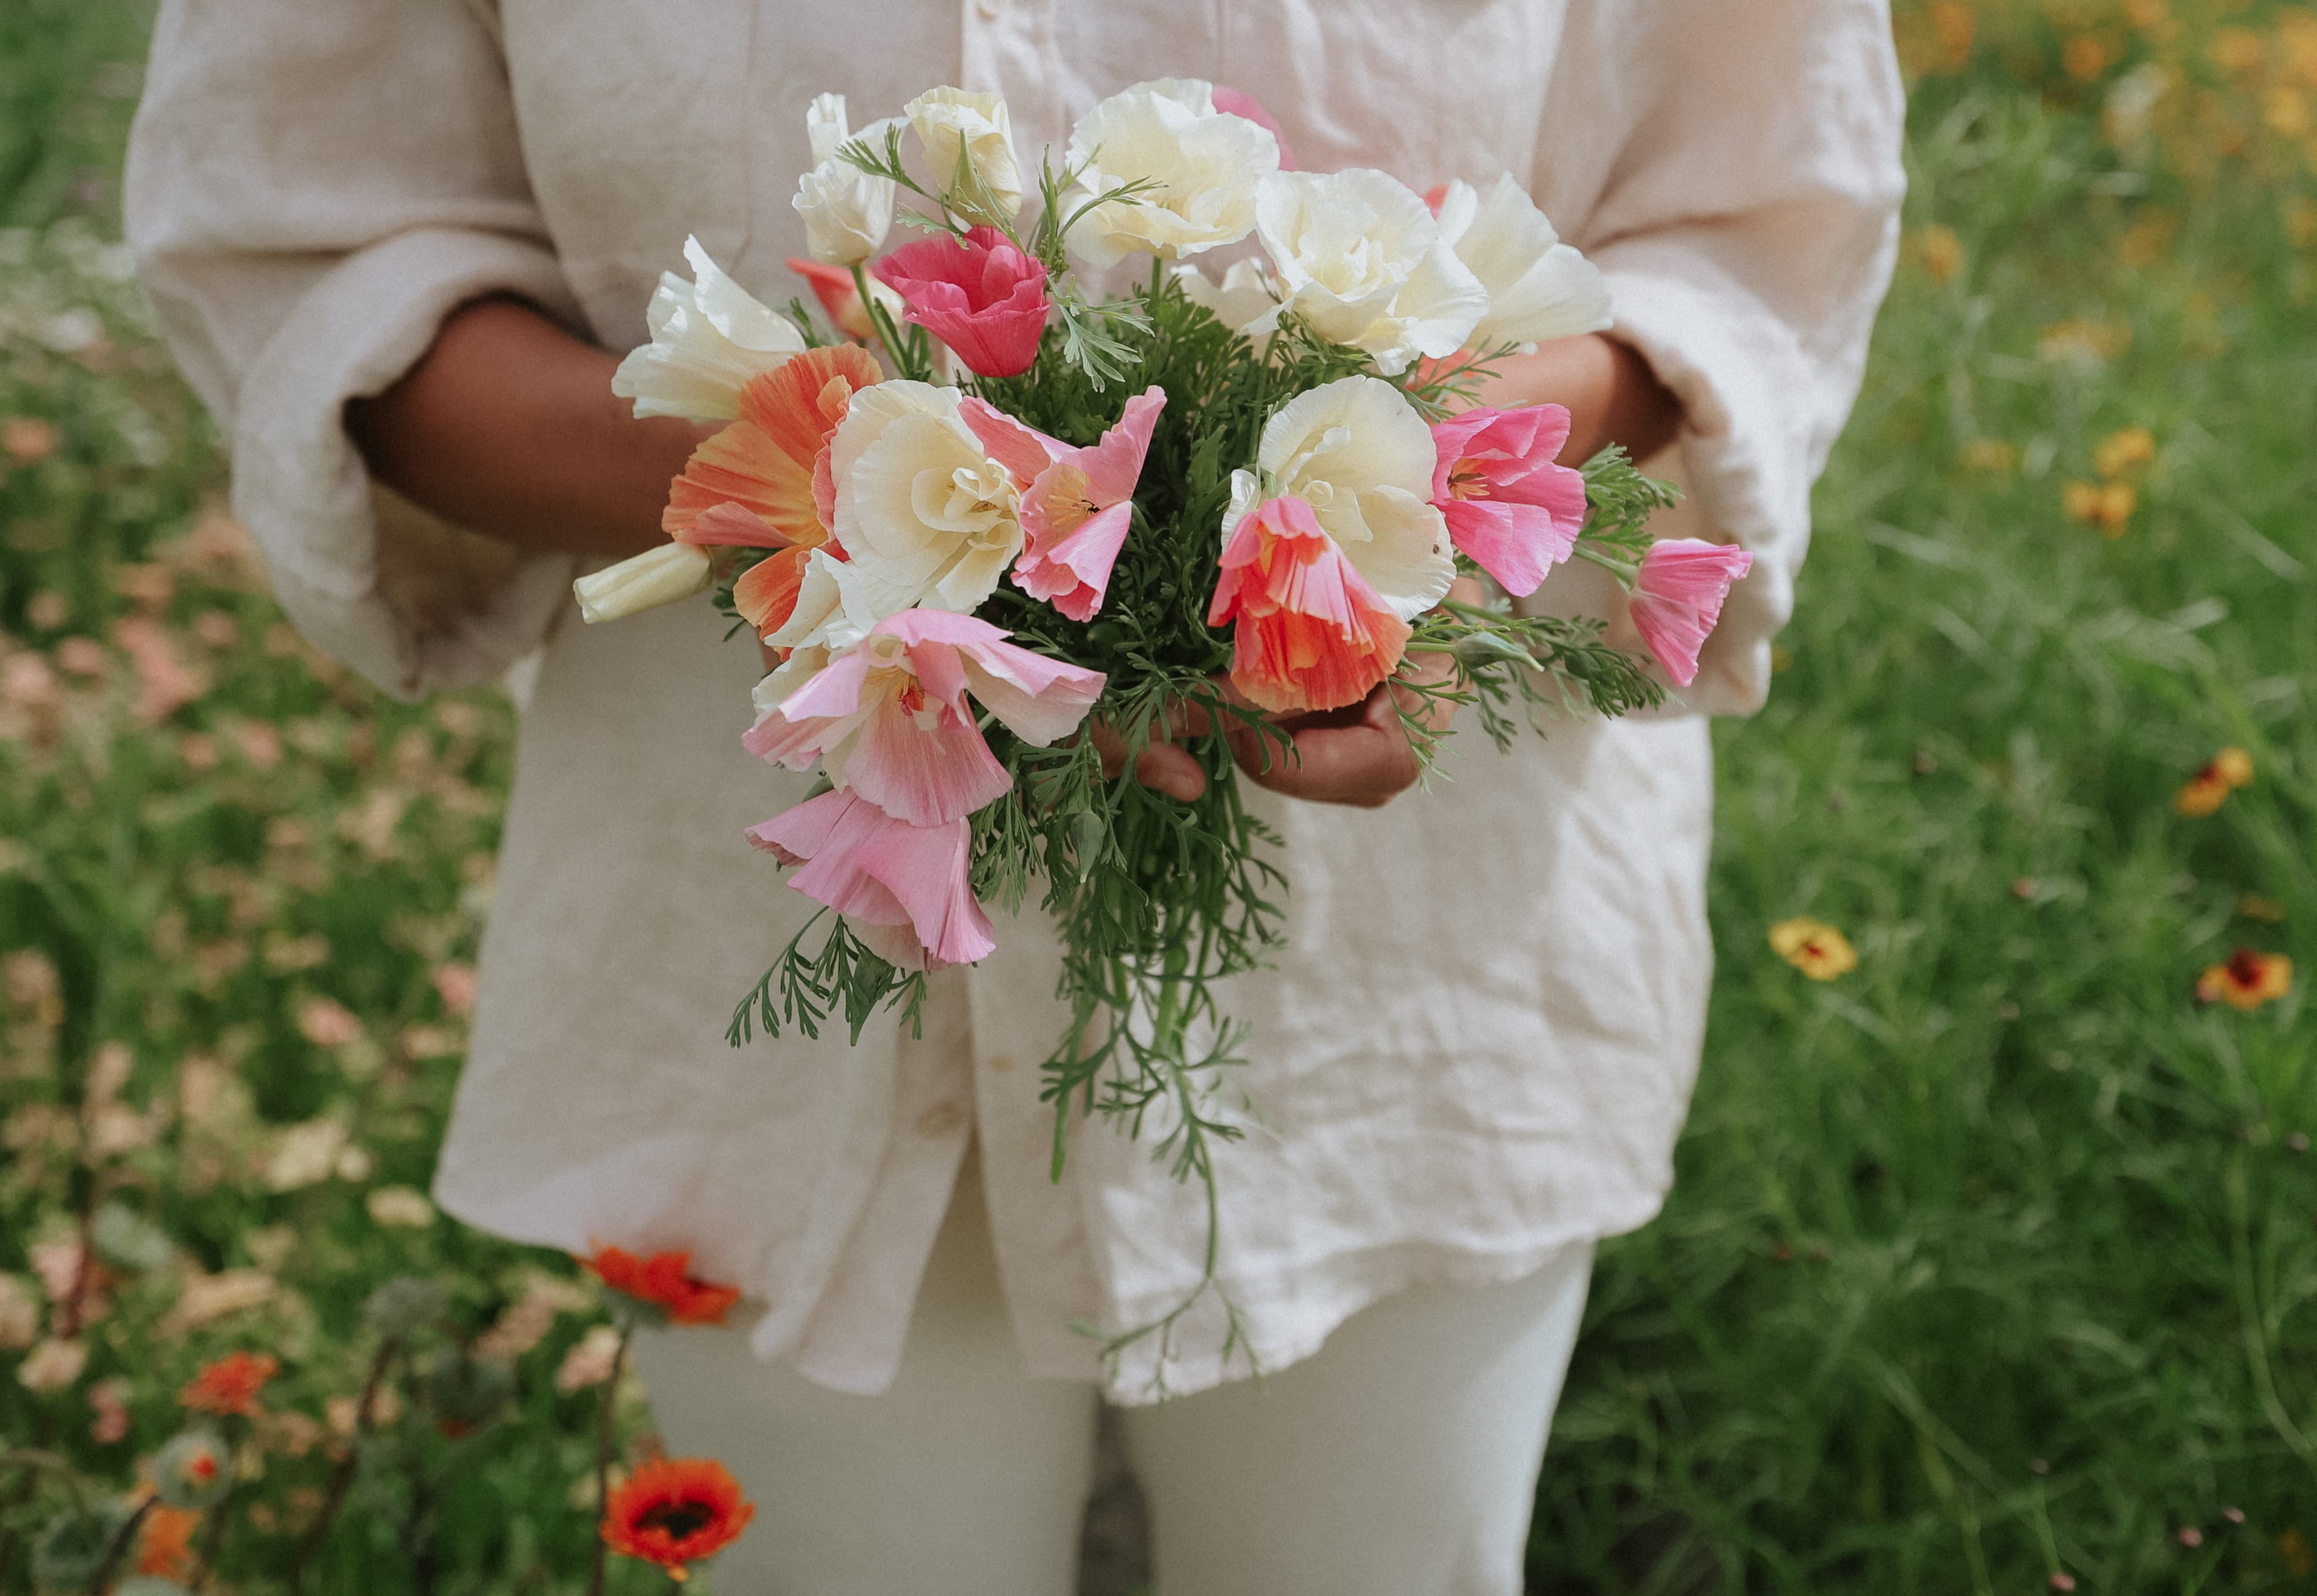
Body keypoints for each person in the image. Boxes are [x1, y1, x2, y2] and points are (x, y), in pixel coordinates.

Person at [124, 4, 1904, 1592]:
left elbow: (1749, 210)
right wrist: (839, 489)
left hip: (1413, 970)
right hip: (763, 953)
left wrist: (1399, 517)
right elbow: (320, 240)